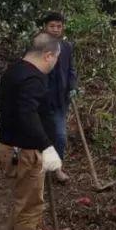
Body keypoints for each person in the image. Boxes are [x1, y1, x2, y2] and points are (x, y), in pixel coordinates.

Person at [0, 33, 64, 230]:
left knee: (20, 203)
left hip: (9, 147)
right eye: (55, 59)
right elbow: (27, 114)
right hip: (25, 152)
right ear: (48, 55)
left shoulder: (13, 72)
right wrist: (46, 146)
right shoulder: (34, 79)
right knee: (30, 210)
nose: (54, 64)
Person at [41, 12, 77, 184]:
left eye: (58, 26)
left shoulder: (67, 47)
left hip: (60, 100)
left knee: (60, 136)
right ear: (45, 27)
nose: (55, 29)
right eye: (52, 26)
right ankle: (37, 169)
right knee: (40, 135)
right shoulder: (36, 46)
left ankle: (57, 168)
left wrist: (72, 87)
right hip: (40, 100)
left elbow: (71, 70)